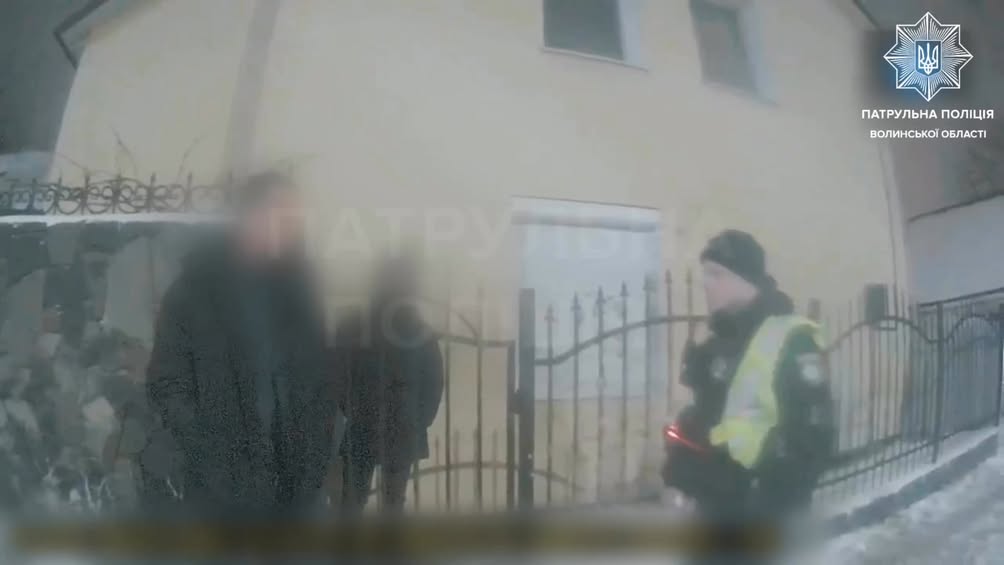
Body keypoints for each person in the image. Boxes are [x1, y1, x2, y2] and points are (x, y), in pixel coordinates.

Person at [147, 171, 334, 518]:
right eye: (282, 215)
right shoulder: (195, 291)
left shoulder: (300, 291)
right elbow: (168, 382)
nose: (293, 227)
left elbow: (321, 382)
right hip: (223, 492)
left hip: (296, 488)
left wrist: (316, 460)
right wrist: (212, 458)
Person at [661, 230, 835, 554]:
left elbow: (813, 439)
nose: (706, 284)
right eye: (705, 275)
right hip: (712, 514)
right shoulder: (716, 341)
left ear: (746, 278)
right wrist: (679, 474)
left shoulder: (792, 340)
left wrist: (764, 507)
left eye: (716, 274)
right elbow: (700, 418)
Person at [337, 255, 444, 515]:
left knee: (366, 501)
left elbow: (433, 381)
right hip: (384, 425)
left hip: (383, 424)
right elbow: (433, 382)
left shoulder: (358, 326)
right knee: (375, 501)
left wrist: (418, 419)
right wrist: (418, 418)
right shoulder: (415, 330)